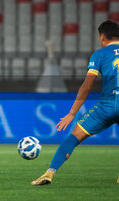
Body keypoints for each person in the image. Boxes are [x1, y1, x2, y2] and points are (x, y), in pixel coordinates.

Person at [32, 20, 119, 186]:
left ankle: (49, 174)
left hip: (107, 106)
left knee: (73, 138)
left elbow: (87, 86)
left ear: (102, 37)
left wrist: (72, 113)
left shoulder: (100, 54)